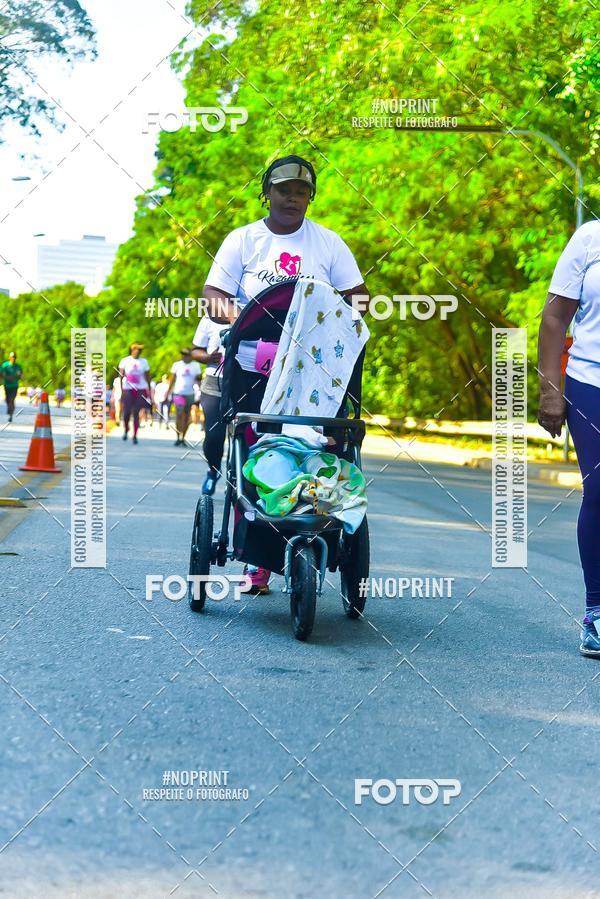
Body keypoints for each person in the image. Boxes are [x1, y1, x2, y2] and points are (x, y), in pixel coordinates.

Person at [202, 154, 368, 594]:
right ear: (267, 193)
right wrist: (242, 322)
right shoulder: (243, 240)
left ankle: (321, 524)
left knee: (308, 445)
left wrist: (336, 331)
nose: (292, 197)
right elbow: (213, 294)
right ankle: (256, 557)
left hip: (313, 370)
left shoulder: (329, 243)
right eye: (283, 189)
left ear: (310, 197)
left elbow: (359, 299)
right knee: (249, 446)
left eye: (301, 191)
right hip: (253, 363)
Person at [537, 218, 600, 657]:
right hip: (590, 382)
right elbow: (555, 319)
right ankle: (596, 612)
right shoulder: (589, 238)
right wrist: (550, 391)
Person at [192, 315, 226, 495]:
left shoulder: (255, 309)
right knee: (214, 435)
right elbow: (195, 350)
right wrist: (207, 357)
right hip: (214, 382)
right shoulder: (210, 318)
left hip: (248, 380)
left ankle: (245, 481)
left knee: (248, 435)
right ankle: (213, 470)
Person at [167, 348, 202, 446]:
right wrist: (168, 392)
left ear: (191, 355)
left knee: (187, 416)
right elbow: (172, 379)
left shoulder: (195, 366)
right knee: (179, 413)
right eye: (183, 354)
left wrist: (201, 392)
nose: (184, 356)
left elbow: (199, 380)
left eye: (186, 354)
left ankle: (183, 437)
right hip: (178, 393)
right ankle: (178, 436)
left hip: (190, 393)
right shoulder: (177, 365)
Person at [118, 343, 151, 444]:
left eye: (139, 350)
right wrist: (121, 390)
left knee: (136, 412)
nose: (137, 351)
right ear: (131, 350)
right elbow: (121, 376)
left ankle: (135, 435)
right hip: (128, 389)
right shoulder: (125, 360)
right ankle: (126, 429)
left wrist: (148, 391)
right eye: (135, 349)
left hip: (140, 389)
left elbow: (147, 377)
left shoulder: (144, 362)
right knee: (127, 412)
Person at [0, 351, 23, 422]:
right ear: (9, 357)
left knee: (12, 399)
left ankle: (11, 414)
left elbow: (21, 375)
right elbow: (1, 374)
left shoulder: (18, 366)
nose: (13, 358)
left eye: (14, 357)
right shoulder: (5, 365)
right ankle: (9, 408)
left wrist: (20, 375)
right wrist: (5, 376)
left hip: (14, 386)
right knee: (7, 399)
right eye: (12, 357)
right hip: (7, 385)